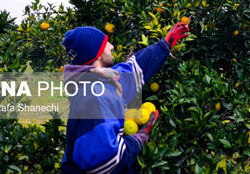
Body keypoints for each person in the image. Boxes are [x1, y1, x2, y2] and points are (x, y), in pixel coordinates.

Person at [60, 22, 189, 173]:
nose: (112, 46)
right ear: (98, 53)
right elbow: (104, 162)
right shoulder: (92, 98)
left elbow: (130, 72)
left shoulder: (99, 82)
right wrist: (138, 139)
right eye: (106, 43)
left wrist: (164, 46)